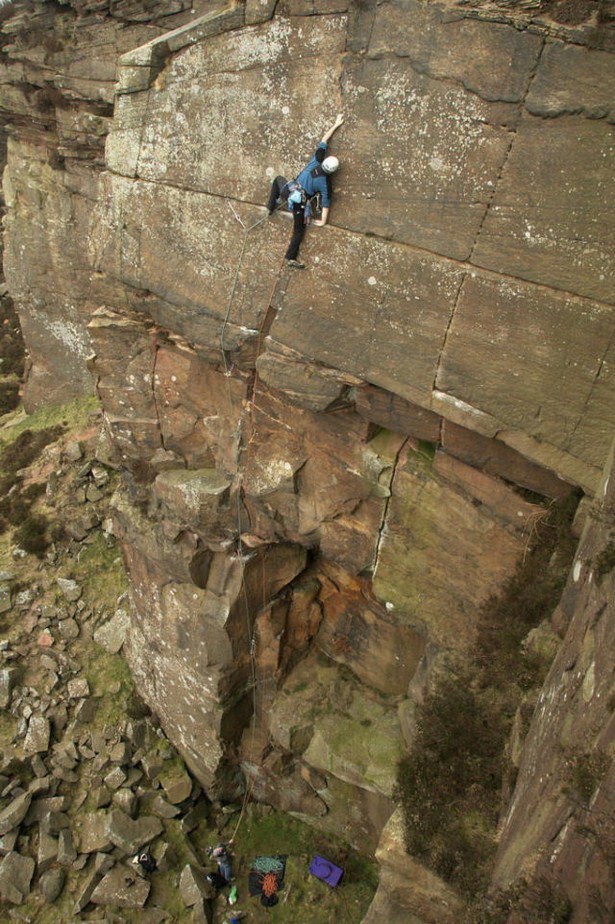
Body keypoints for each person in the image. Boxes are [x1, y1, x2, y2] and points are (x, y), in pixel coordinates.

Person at [266, 114, 344, 268]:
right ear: (332, 171)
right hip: (299, 205)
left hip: (288, 190)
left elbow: (324, 140)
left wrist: (336, 124)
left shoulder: (316, 160)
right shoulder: (324, 183)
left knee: (277, 180)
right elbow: (326, 203)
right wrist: (323, 221)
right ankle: (290, 258)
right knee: (298, 230)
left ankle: (270, 207)